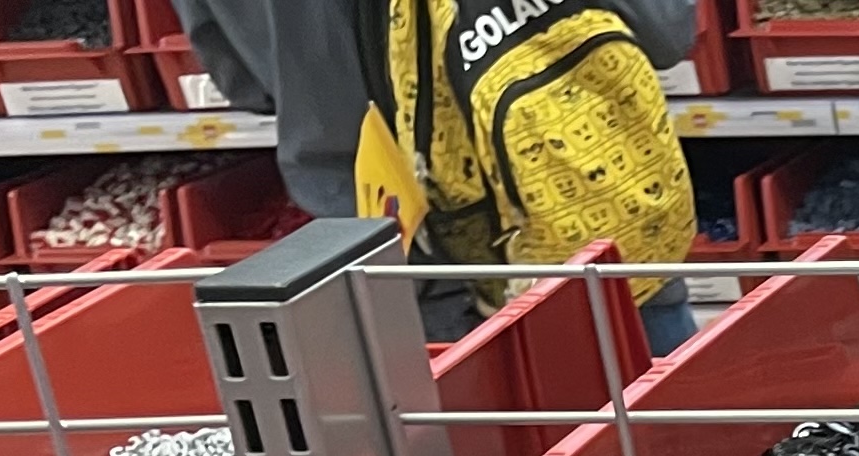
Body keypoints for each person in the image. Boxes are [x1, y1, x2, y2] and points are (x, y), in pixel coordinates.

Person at [173, 0, 706, 353]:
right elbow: (665, 30)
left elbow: (245, 82)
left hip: (382, 230)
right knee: (672, 451)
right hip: (578, 199)